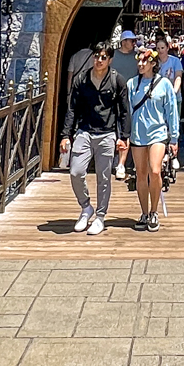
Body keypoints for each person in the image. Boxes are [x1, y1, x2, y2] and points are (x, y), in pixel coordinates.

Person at [59, 43, 127, 235]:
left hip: (107, 133)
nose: (99, 60)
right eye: (97, 56)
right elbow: (72, 108)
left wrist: (124, 137)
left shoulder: (117, 80)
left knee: (103, 177)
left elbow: (124, 111)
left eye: (103, 57)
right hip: (85, 130)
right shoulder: (81, 79)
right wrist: (66, 135)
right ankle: (86, 206)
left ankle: (100, 216)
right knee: (76, 171)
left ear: (110, 60)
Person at [127, 44, 180, 229]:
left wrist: (174, 137)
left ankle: (154, 210)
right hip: (137, 133)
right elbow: (126, 111)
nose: (141, 64)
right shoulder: (132, 84)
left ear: (153, 62)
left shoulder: (164, 84)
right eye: (139, 60)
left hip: (157, 132)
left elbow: (171, 111)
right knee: (140, 174)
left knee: (155, 170)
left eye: (144, 60)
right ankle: (144, 212)